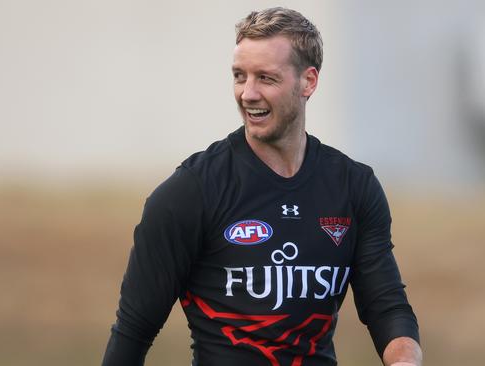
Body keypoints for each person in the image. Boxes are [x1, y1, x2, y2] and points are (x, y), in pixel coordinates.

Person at [102, 7, 421, 366]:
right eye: (240, 76)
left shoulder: (353, 187)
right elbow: (133, 332)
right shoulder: (190, 192)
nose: (248, 94)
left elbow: (387, 307)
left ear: (308, 82)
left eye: (266, 78)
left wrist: (404, 359)